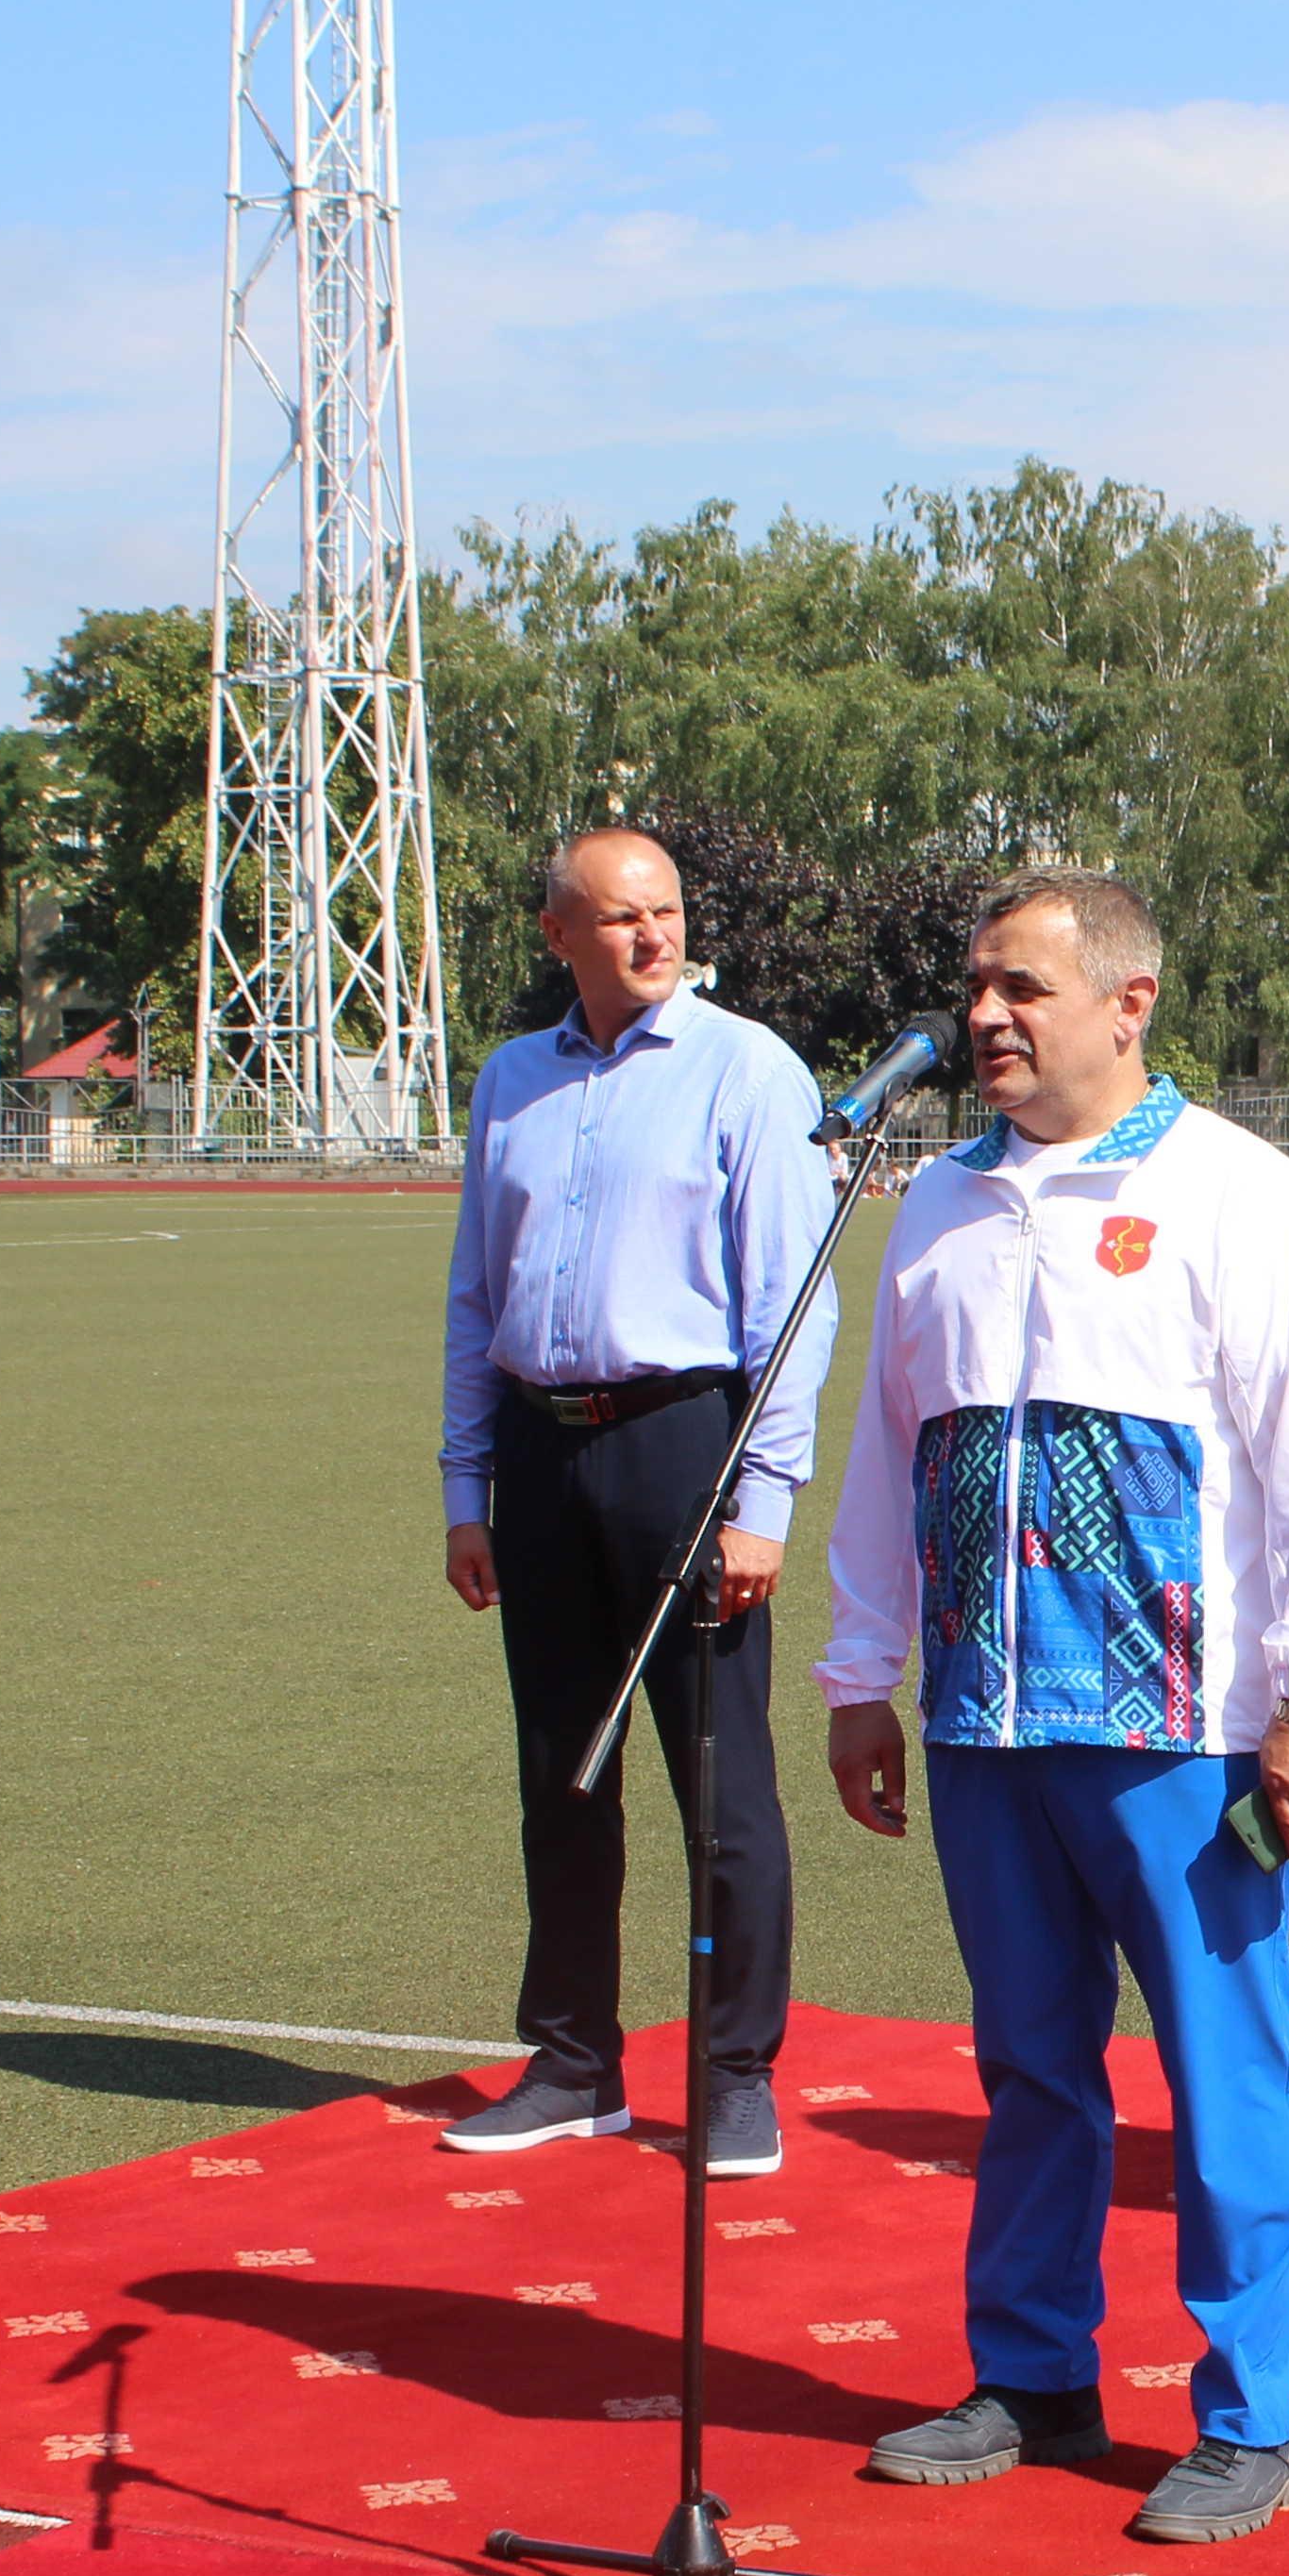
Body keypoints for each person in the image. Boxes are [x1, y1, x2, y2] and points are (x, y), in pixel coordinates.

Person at [817, 869, 1289, 2545]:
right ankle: (1035, 2374)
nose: (984, 1016)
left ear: (1128, 1005)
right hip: (985, 1721)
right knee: (1031, 2065)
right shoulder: (936, 1201)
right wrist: (864, 1673)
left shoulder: (1237, 1191)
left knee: (1227, 2077)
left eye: (1021, 990)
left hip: (1178, 1725)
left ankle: (1253, 2417)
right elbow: (887, 1453)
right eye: (977, 988)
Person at [436, 828, 836, 2179]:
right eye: (619, 919)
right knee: (561, 1769)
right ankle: (570, 2063)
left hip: (688, 1446)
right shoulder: (512, 1080)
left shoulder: (747, 1070)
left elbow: (793, 1301)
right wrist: (467, 1485)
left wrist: (766, 1496)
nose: (652, 937)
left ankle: (733, 2075)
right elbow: (474, 1297)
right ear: (558, 935)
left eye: (665, 911)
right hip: (542, 1454)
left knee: (717, 1778)